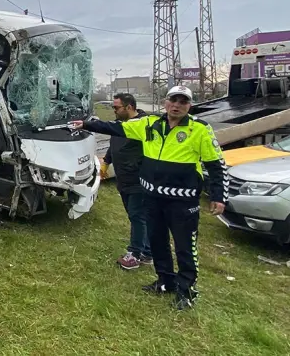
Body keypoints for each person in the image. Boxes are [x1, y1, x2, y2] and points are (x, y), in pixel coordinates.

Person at [70, 85, 226, 310]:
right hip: (152, 196)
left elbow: (216, 165)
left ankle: (186, 290)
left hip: (182, 201)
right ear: (166, 102)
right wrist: (85, 124)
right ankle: (165, 281)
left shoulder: (200, 129)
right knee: (157, 242)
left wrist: (218, 196)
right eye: (174, 100)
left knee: (185, 247)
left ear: (188, 105)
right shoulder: (149, 124)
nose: (177, 105)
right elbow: (116, 127)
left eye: (183, 102)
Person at [102, 93, 151, 270]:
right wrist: (106, 162)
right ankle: (147, 251)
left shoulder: (143, 125)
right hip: (123, 180)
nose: (114, 111)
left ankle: (135, 254)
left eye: (116, 107)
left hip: (138, 180)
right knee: (135, 216)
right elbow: (113, 144)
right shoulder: (121, 124)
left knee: (138, 216)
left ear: (129, 107)